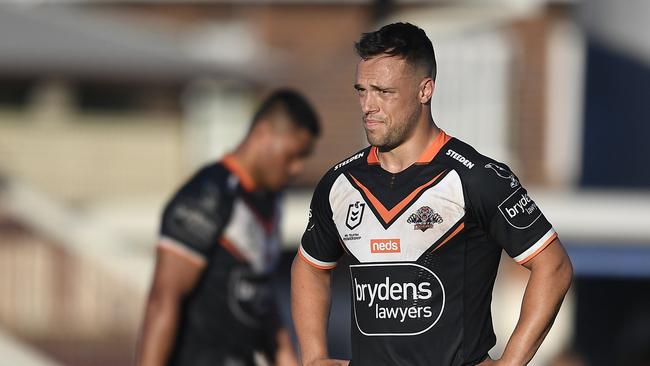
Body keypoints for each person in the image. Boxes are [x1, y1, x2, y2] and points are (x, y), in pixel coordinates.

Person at [291, 22, 573, 366]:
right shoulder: (339, 183)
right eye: (361, 90)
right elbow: (309, 266)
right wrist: (314, 356)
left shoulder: (476, 178)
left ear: (425, 91)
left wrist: (510, 363)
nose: (368, 105)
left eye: (384, 92)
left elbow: (553, 267)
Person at [138, 89, 321, 366]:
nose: (297, 168)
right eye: (293, 155)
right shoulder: (207, 196)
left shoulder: (271, 201)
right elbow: (163, 301)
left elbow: (263, 300)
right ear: (263, 134)